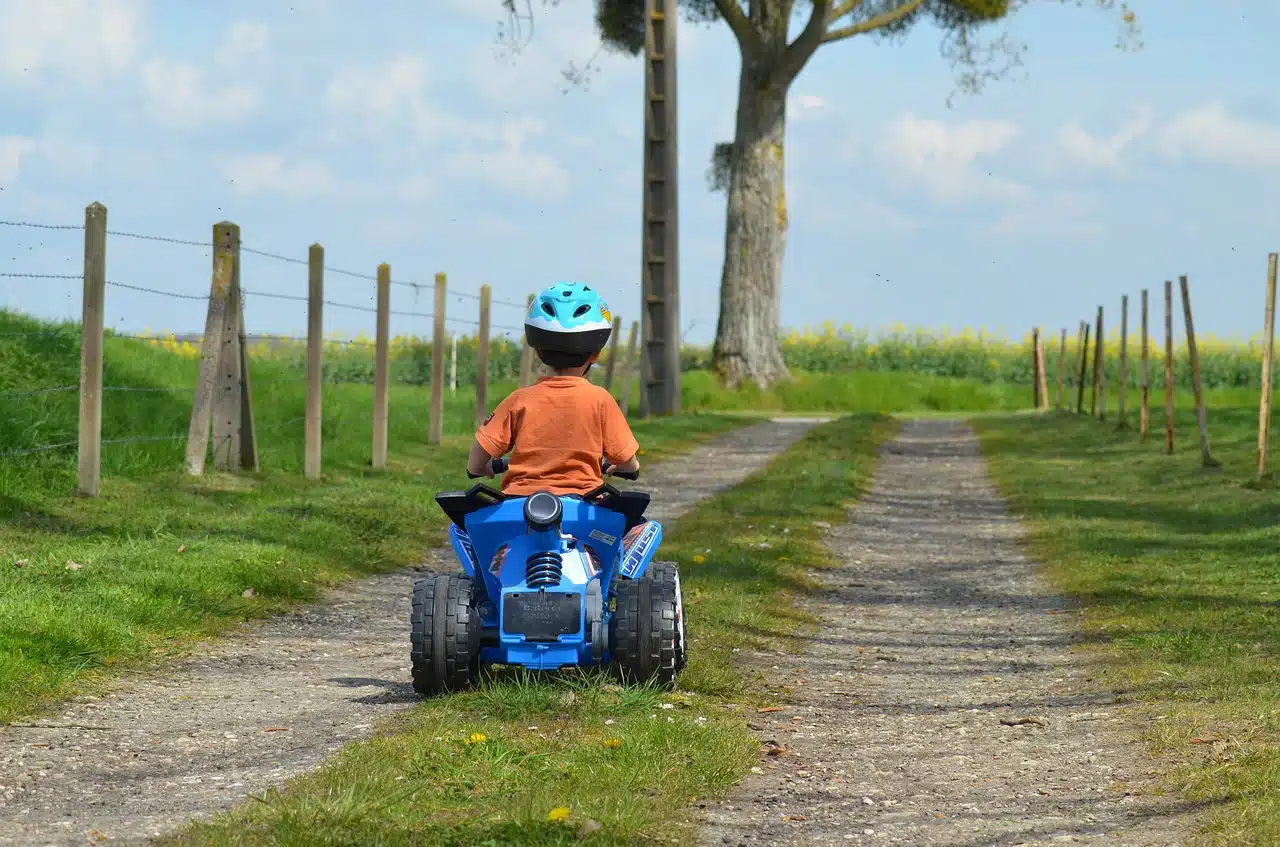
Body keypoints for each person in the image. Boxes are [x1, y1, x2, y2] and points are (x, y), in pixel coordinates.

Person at [467, 282, 640, 496]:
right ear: (595, 354)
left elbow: (479, 453)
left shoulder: (519, 400)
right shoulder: (600, 400)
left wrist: (479, 468)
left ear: (538, 351)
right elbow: (626, 458)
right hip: (582, 505)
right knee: (636, 525)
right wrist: (627, 468)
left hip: (520, 503)